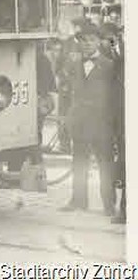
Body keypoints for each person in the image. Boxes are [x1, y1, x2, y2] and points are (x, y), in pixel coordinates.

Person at [60, 23, 117, 215]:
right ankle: (78, 201)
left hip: (102, 125)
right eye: (83, 40)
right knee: (79, 163)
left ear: (99, 42)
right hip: (80, 123)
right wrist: (67, 118)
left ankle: (109, 205)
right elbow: (68, 94)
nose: (87, 44)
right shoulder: (74, 65)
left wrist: (114, 124)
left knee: (105, 165)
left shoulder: (109, 66)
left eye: (91, 40)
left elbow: (115, 97)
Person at [100, 22, 126, 224]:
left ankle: (123, 210)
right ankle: (119, 208)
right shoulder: (112, 57)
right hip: (116, 118)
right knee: (120, 163)